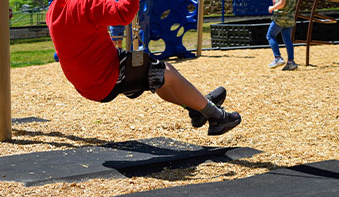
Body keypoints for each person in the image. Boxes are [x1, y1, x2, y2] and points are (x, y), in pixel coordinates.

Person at [46, 0, 241, 135]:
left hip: (86, 83)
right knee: (165, 71)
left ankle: (197, 108)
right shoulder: (86, 3)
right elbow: (124, 14)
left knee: (157, 79)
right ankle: (217, 117)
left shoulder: (53, 9)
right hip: (106, 75)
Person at [267, 0, 298, 70]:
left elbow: (282, 3)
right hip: (290, 19)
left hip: (280, 18)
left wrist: (272, 8)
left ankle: (278, 58)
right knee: (287, 40)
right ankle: (291, 62)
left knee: (270, 36)